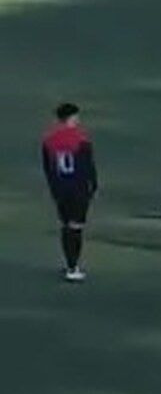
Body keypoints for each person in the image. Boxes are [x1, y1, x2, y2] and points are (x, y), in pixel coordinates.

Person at [41, 103, 98, 283]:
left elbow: (48, 168)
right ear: (72, 118)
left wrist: (54, 188)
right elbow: (87, 166)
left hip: (60, 189)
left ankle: (69, 263)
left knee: (66, 225)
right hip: (77, 188)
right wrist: (92, 186)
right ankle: (73, 267)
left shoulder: (49, 140)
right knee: (76, 227)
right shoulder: (81, 139)